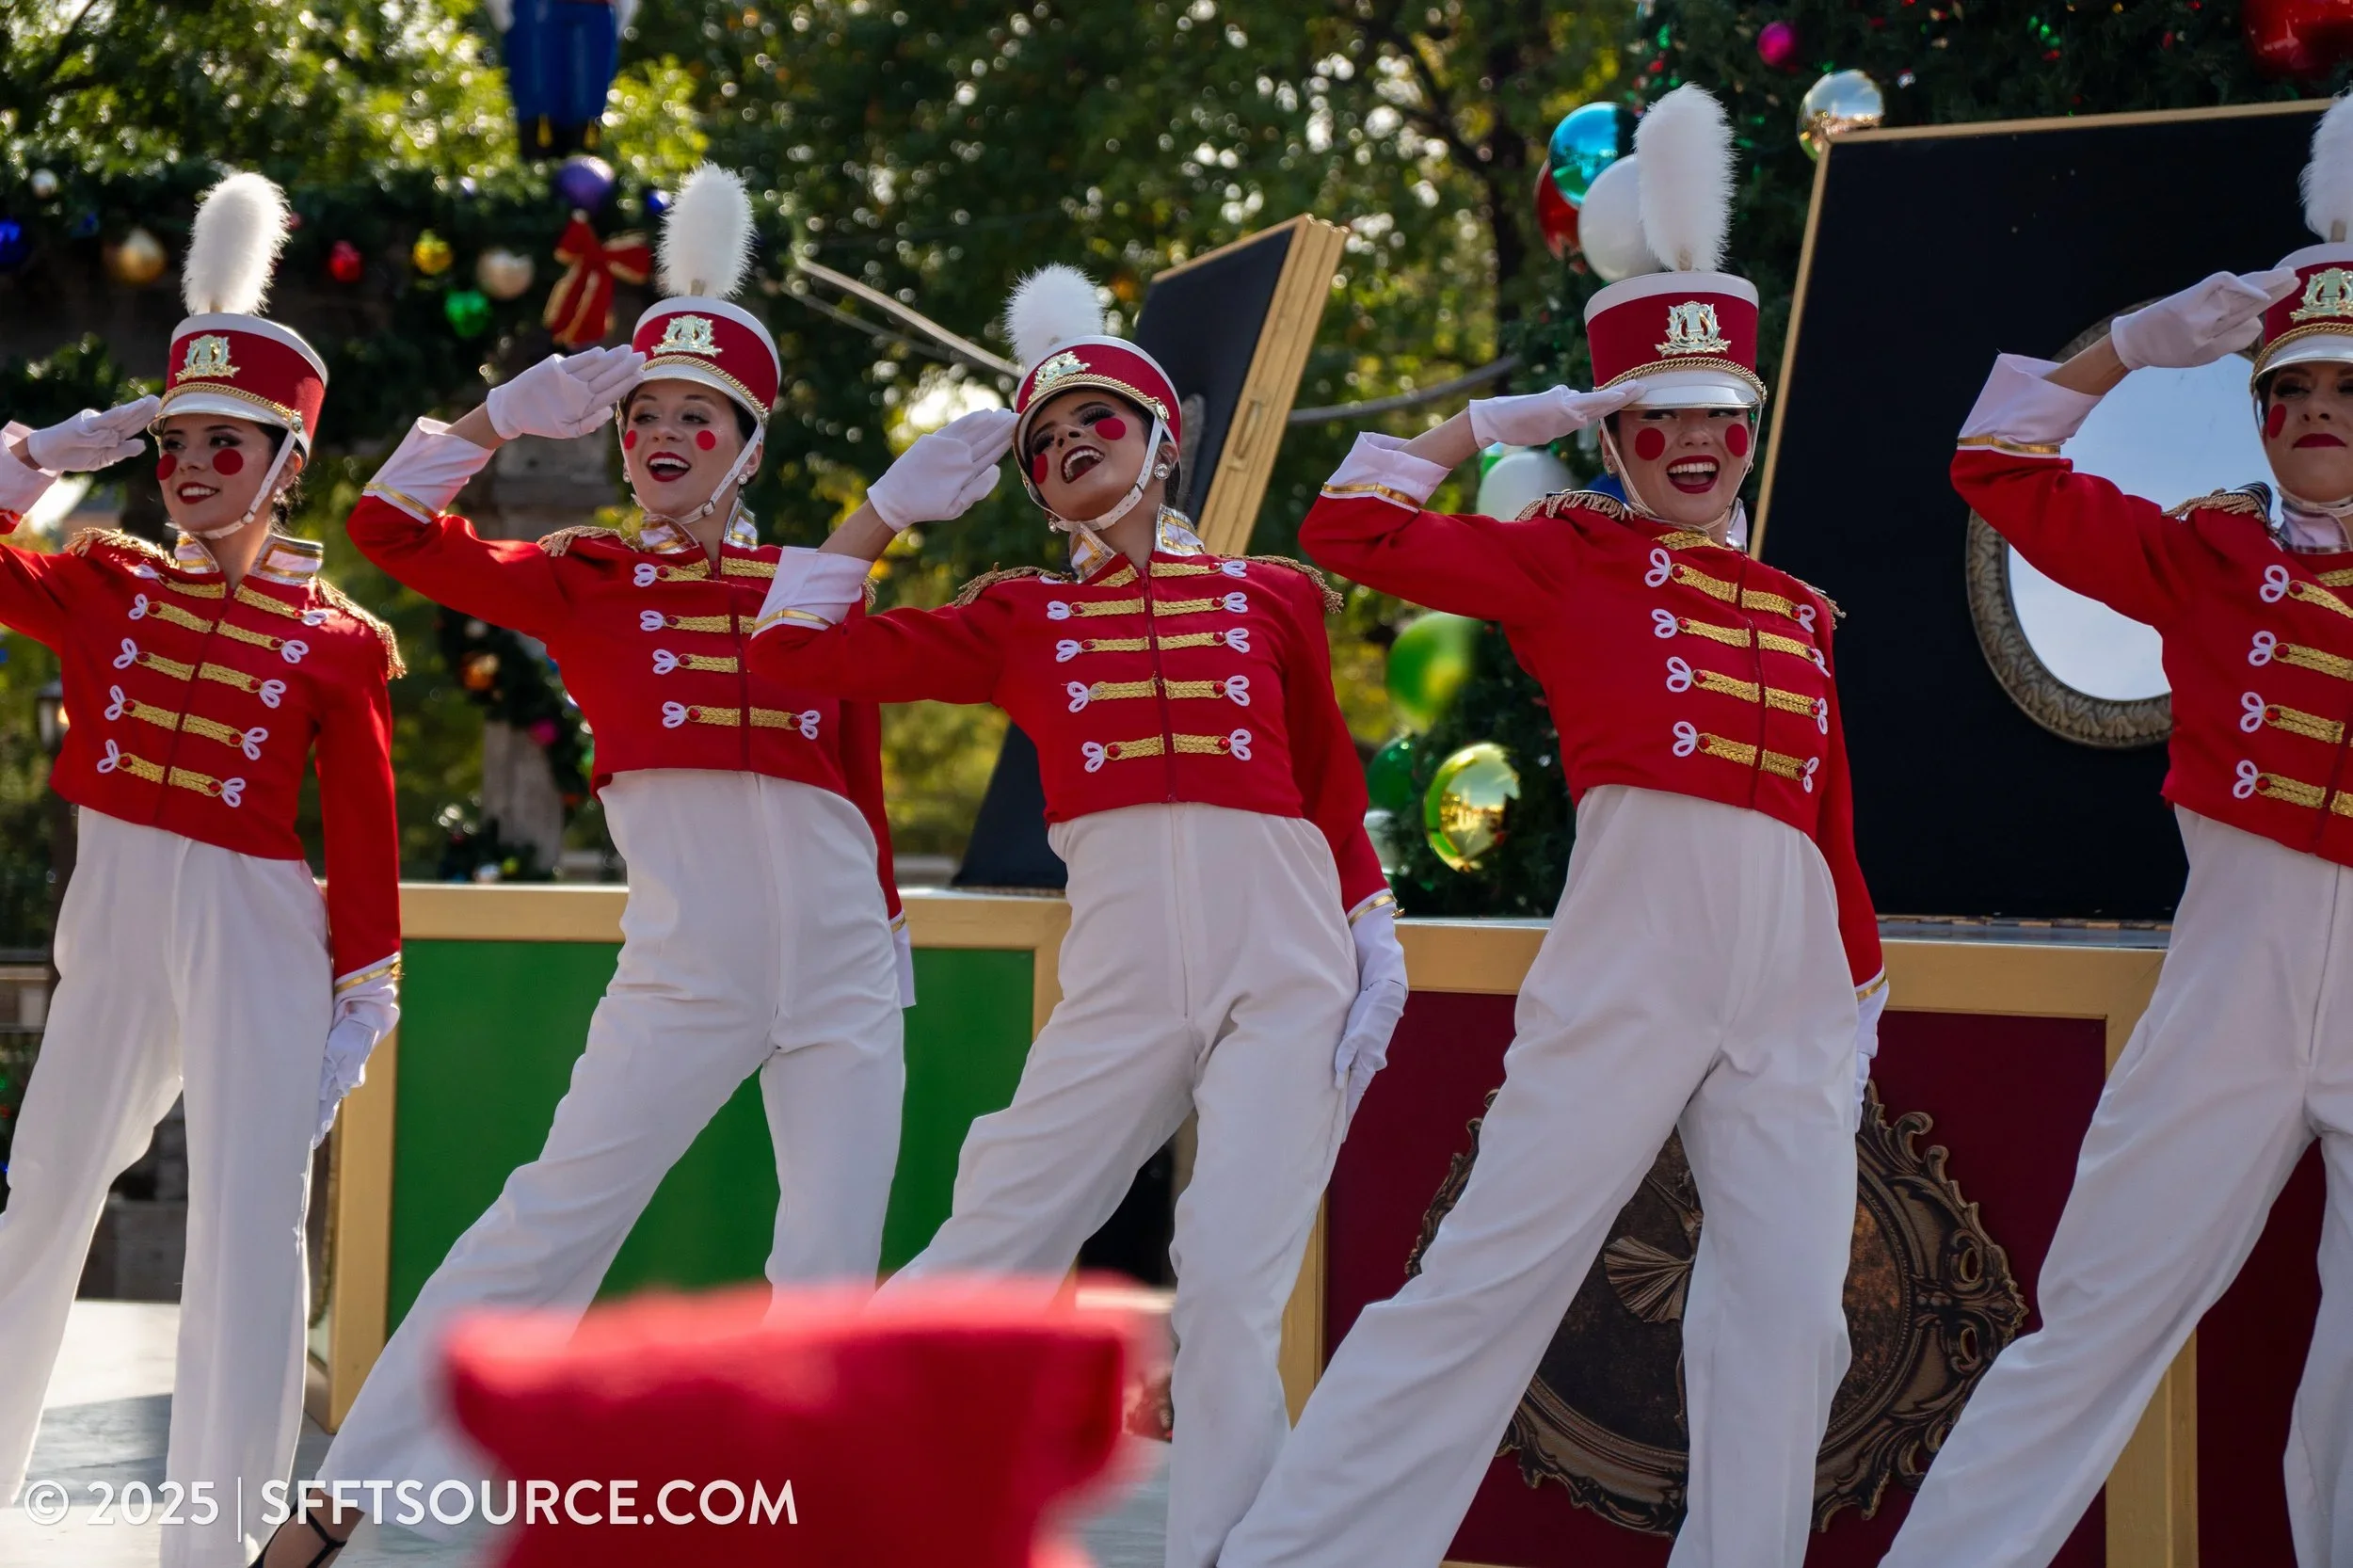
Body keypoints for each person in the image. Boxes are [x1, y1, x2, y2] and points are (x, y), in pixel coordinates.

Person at [1213, 85, 1885, 1568]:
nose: (1695, 443)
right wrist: (1473, 427)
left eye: (1718, 418)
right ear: (1615, 434)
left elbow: (1826, 819)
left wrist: (1855, 986)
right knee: (1488, 1280)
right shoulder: (1567, 561)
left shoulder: (1799, 608)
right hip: (1634, 962)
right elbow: (1345, 532)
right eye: (1659, 420)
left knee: (1792, 1323)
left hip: (1793, 988)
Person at [259, 166, 906, 1568]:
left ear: (749, 444)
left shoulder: (814, 582)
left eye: (697, 417)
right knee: (547, 1225)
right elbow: (385, 532)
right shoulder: (583, 577)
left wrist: (890, 942)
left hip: (850, 970)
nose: (664, 435)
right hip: (689, 970)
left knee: (830, 1265)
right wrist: (501, 414)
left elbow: (860, 779)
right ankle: (331, 1508)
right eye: (644, 415)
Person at [744, 264, 1407, 1568]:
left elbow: (1331, 787)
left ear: (1164, 445)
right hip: (1125, 971)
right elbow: (787, 658)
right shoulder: (1020, 615)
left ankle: (1224, 1556)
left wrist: (1373, 929)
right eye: (1043, 441)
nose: (1068, 445)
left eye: (1097, 420)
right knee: (998, 1224)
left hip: (1292, 964)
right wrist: (882, 512)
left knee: (1232, 1291)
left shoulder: (1273, 596)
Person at [1879, 97, 2353, 1568]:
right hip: (2233, 979)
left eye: (2350, 387)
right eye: (2291, 390)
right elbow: (1997, 465)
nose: (2319, 411)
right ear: (2257, 417)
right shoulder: (2208, 555)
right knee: (2091, 1321)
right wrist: (2139, 345)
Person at [0, 172, 401, 1568]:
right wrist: (47, 453)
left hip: (255, 925)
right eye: (176, 442)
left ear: (288, 463)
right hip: (113, 911)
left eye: (227, 444)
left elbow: (364, 830)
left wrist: (365, 990)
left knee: (246, 1224)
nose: (190, 466)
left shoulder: (338, 641)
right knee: (45, 1189)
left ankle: (213, 1545)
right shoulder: (103, 582)